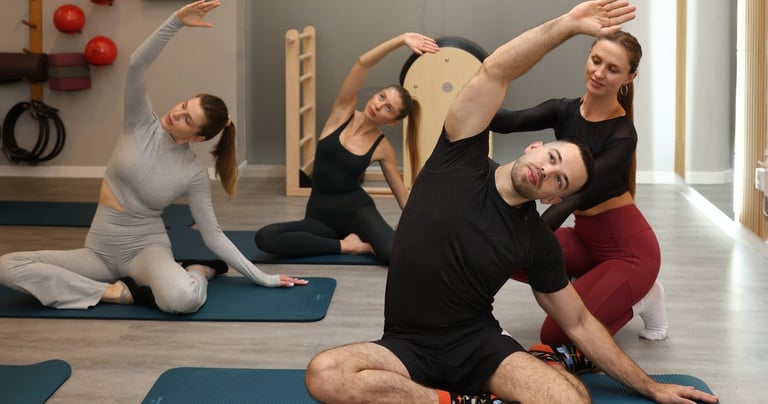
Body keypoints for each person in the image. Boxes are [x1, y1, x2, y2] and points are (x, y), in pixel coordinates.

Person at [304, 1, 719, 403]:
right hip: (404, 345)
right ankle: (451, 400)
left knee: (570, 399)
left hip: (478, 346)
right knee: (326, 374)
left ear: (557, 196)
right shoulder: (458, 155)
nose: (548, 171)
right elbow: (496, 71)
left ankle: (468, 391)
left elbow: (578, 322)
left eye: (560, 180)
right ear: (536, 147)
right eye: (552, 157)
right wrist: (569, 24)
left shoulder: (535, 241)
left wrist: (650, 386)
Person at [0, 0, 307, 314]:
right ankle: (115, 293)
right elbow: (136, 64)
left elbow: (213, 236)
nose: (177, 113)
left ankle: (198, 271)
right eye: (184, 105)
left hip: (145, 251)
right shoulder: (139, 123)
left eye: (188, 119)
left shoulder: (192, 174)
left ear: (198, 137)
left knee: (183, 300)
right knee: (8, 266)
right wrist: (176, 21)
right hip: (99, 251)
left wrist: (262, 277)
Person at [491, 30, 668, 343]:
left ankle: (643, 299)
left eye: (613, 69)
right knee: (497, 246)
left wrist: (527, 236)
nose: (599, 73)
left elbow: (574, 198)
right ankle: (589, 280)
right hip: (586, 240)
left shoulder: (622, 136)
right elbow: (508, 121)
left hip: (630, 253)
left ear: (630, 77)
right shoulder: (564, 109)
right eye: (596, 60)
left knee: (556, 335)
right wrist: (471, 95)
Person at [254, 32, 439, 264]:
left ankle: (355, 242)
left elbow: (402, 196)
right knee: (265, 238)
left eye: (388, 108)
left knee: (393, 254)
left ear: (392, 122)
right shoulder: (341, 114)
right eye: (381, 97)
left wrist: (420, 223)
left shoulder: (382, 148)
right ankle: (351, 246)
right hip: (319, 218)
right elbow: (362, 63)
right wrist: (401, 40)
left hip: (357, 212)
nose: (378, 105)